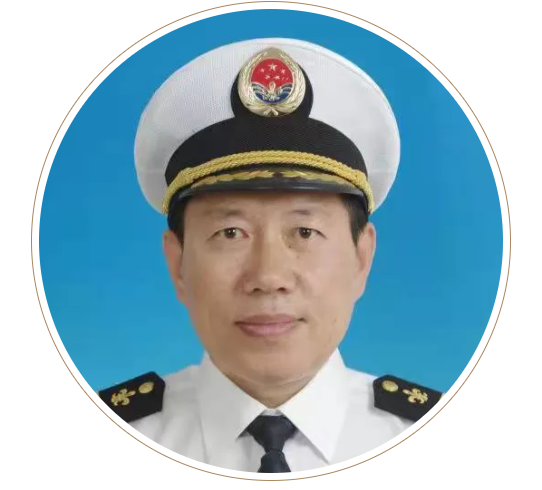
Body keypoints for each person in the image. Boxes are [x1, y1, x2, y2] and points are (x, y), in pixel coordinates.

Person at [98, 38, 443, 473]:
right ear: (177, 263)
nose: (268, 276)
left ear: (361, 258)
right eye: (230, 232)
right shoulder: (98, 443)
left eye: (305, 232)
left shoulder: (443, 444)